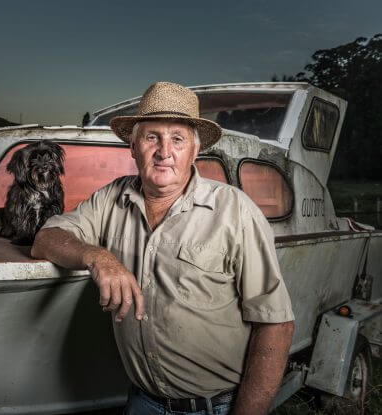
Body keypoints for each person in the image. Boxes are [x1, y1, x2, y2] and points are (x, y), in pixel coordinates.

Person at [31, 82, 295, 415]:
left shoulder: (235, 211)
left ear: (194, 151)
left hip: (215, 407)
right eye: (152, 137)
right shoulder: (110, 199)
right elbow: (47, 238)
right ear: (133, 146)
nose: (164, 151)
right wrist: (98, 257)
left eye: (177, 139)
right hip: (142, 402)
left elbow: (276, 324)